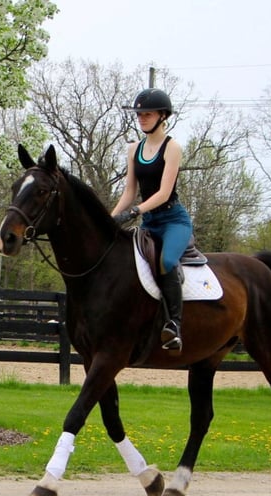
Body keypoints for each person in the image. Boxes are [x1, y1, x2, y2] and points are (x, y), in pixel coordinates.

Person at [112, 88, 192, 351]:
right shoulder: (134, 148)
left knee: (166, 261)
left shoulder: (172, 148)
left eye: (147, 114)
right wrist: (110, 218)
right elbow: (129, 192)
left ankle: (174, 326)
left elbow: (164, 192)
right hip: (149, 223)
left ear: (162, 116)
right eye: (139, 114)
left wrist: (136, 211)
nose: (141, 118)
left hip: (173, 220)